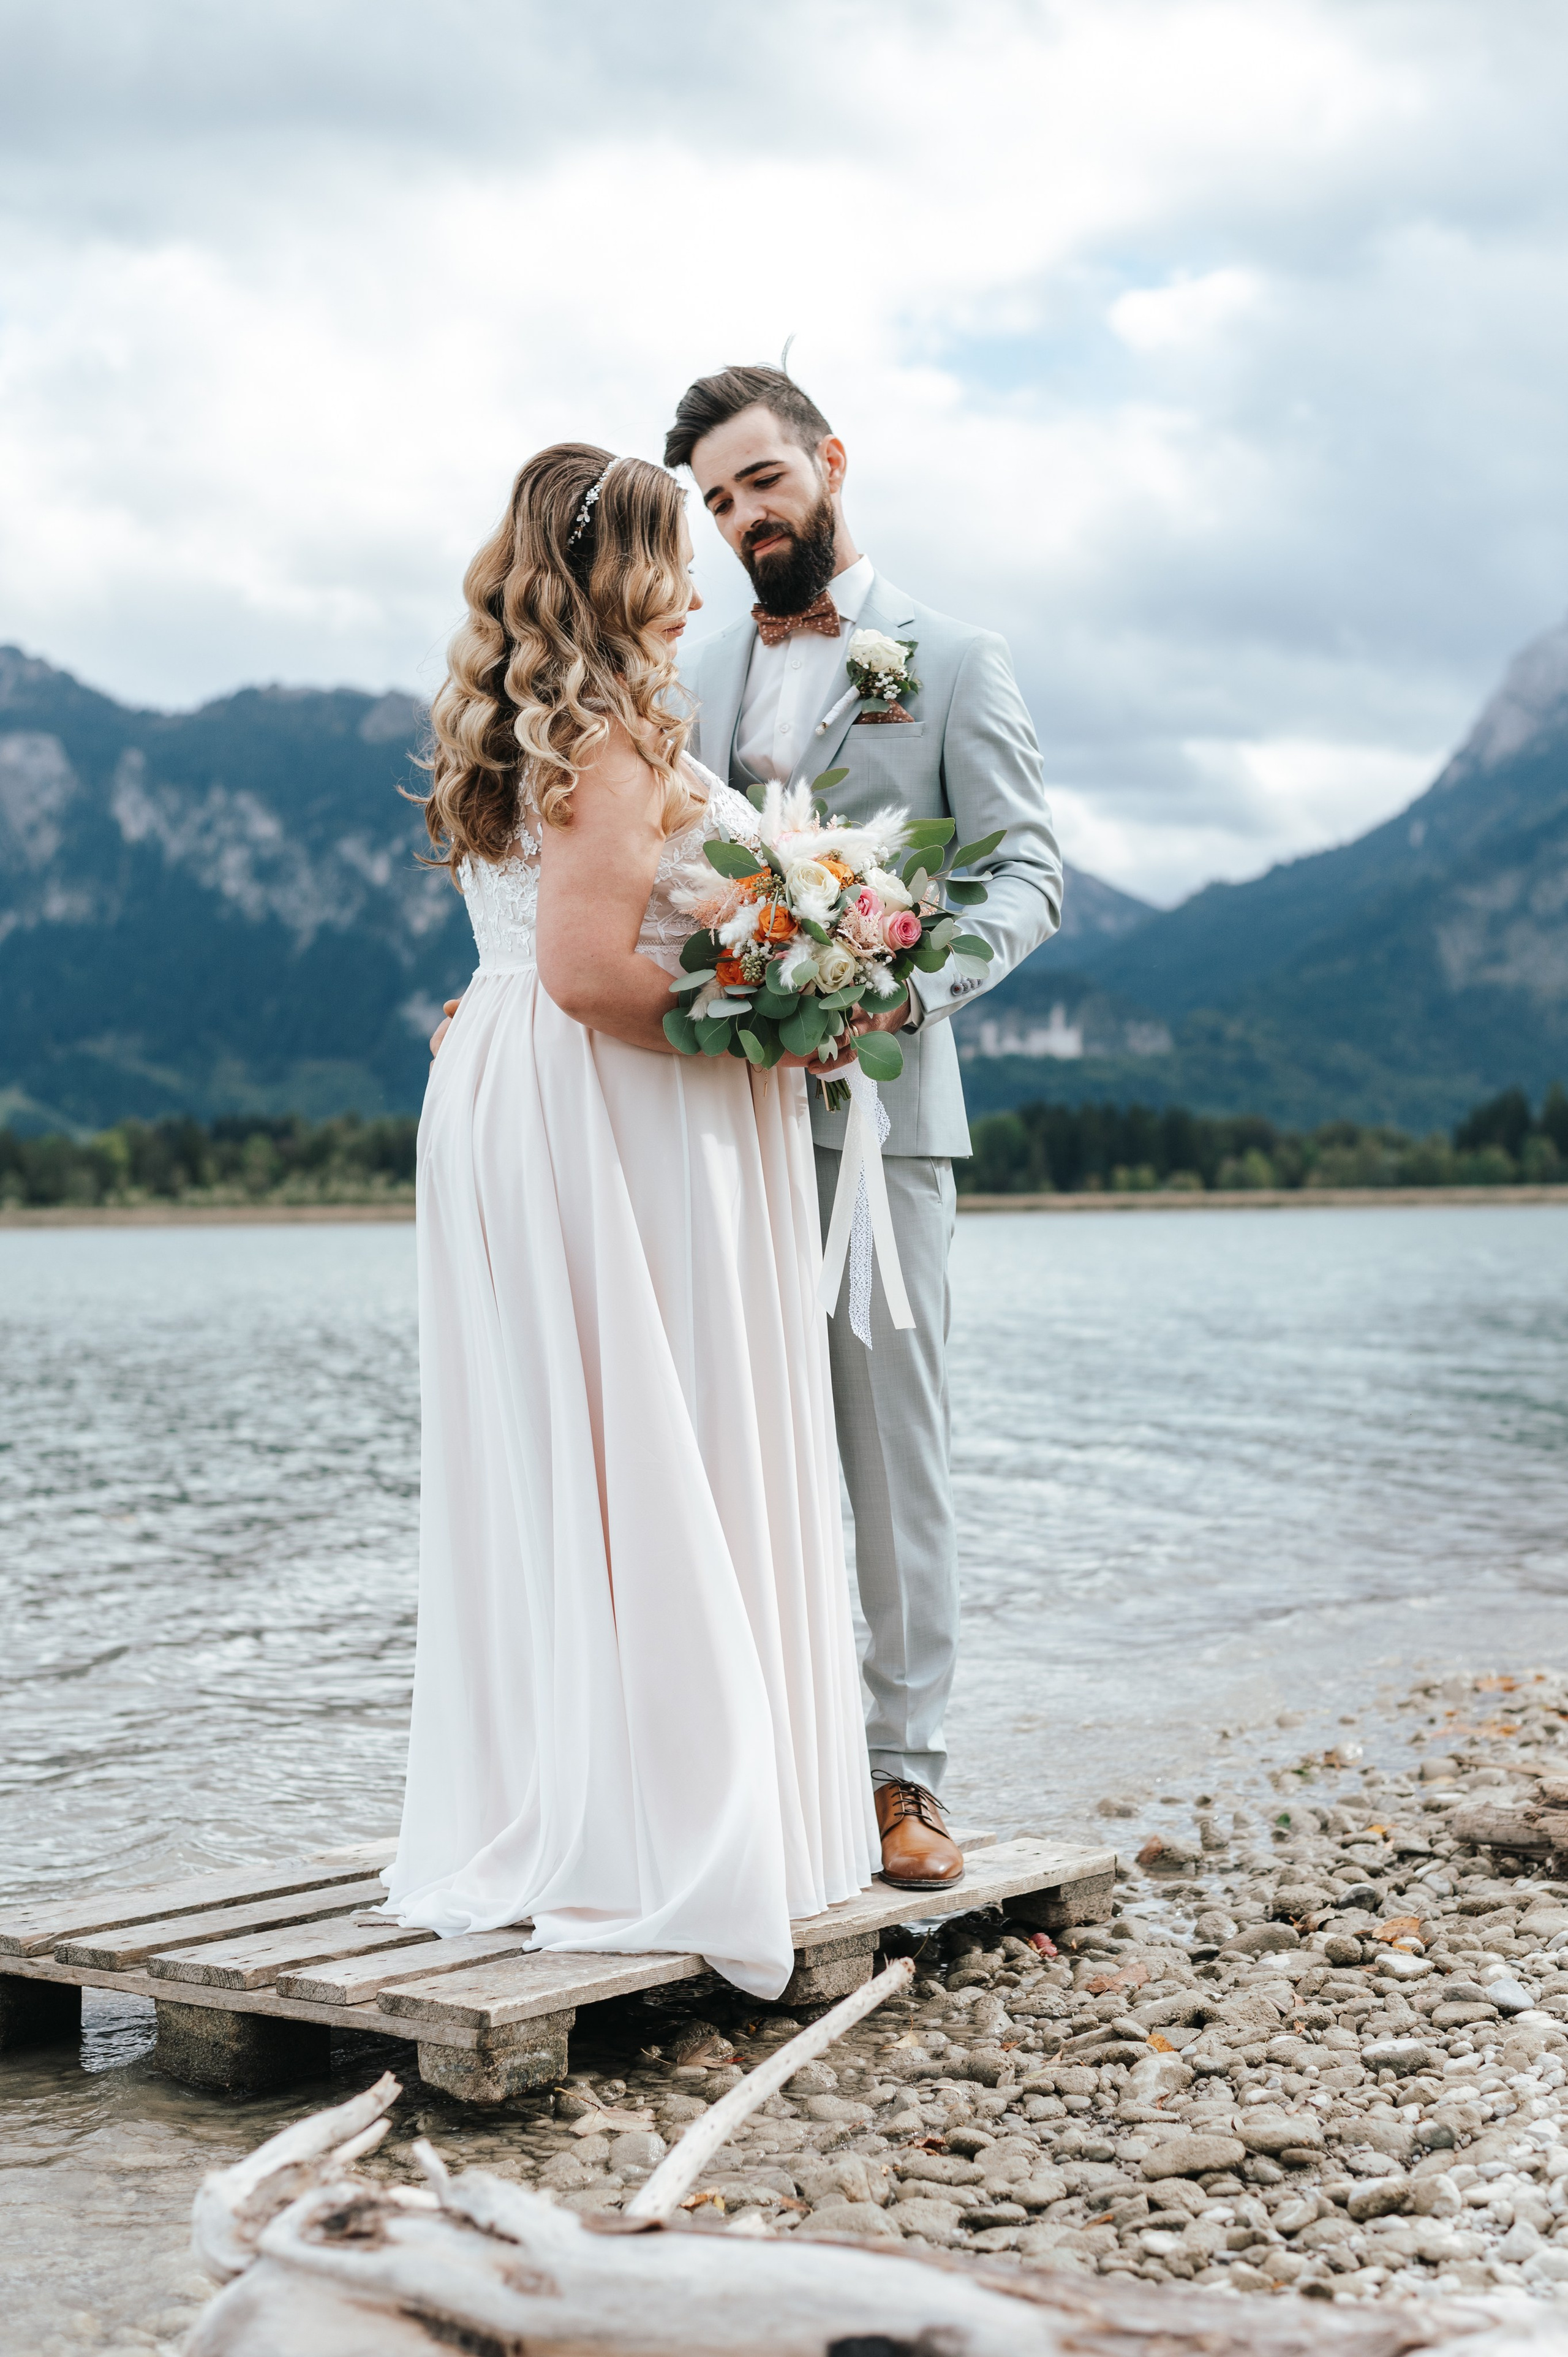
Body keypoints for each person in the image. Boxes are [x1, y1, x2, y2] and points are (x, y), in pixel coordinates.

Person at [383, 444, 877, 2000]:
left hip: (536, 1096)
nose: (707, 589)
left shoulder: (544, 728)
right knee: (647, 1447)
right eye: (683, 557)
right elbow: (595, 973)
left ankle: (618, 1784)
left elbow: (553, 952)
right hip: (607, 1109)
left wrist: (786, 944)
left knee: (584, 1451)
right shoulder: (600, 742)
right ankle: (660, 1821)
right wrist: (779, 1022)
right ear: (631, 576)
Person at [665, 366, 1062, 1891]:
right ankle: (744, 1766)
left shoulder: (952, 661)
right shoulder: (689, 674)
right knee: (720, 1445)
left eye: (760, 483)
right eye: (714, 505)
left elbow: (1021, 871)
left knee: (891, 1458)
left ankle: (905, 1778)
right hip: (706, 1125)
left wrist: (908, 986)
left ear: (829, 462)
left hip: (877, 1125)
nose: (742, 521)